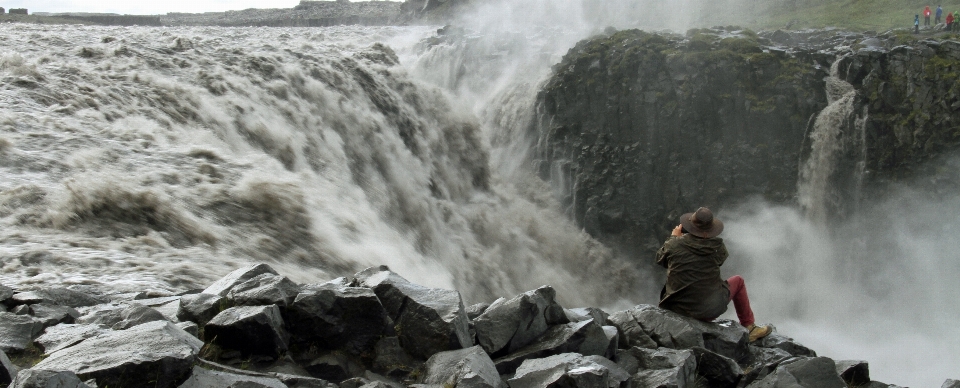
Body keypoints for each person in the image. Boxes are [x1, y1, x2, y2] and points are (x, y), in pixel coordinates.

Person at [655, 207, 772, 342]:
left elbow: (660, 259)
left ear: (689, 226)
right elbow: (719, 261)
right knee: (738, 281)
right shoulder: (717, 247)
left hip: (676, 310)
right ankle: (749, 326)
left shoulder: (675, 245)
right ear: (710, 229)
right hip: (708, 311)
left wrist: (674, 237)